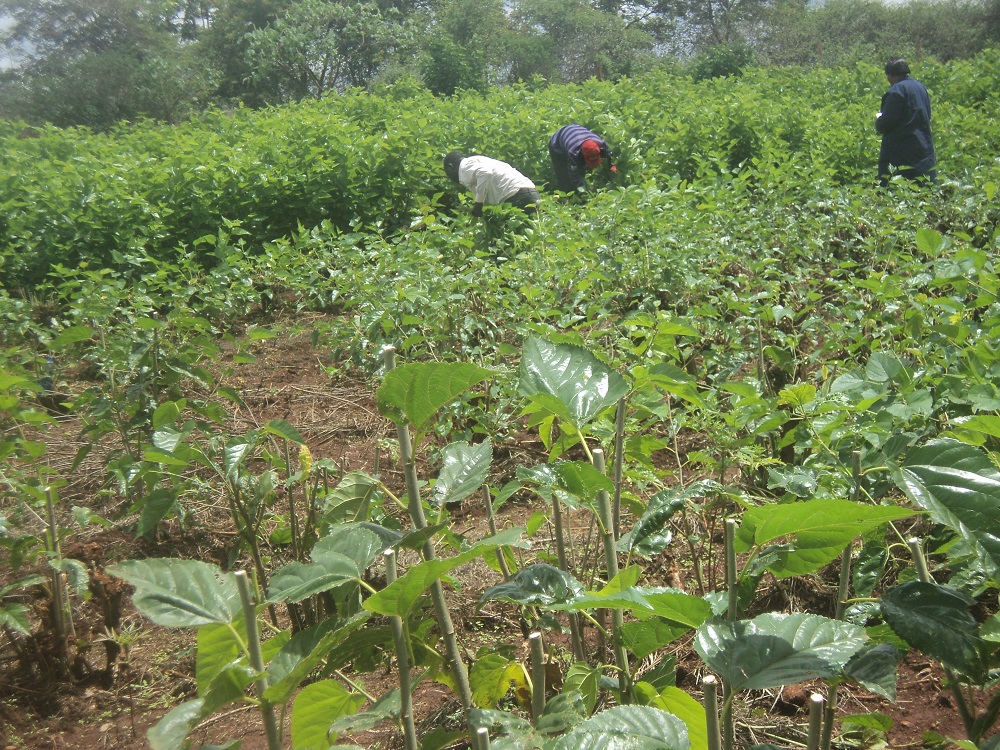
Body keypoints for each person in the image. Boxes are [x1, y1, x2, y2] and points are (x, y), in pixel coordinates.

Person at [876, 57, 936, 186]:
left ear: (890, 75)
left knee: (897, 189)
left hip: (902, 151)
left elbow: (886, 123)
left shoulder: (896, 92)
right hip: (923, 146)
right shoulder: (920, 87)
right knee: (924, 188)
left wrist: (879, 120)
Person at [443, 151, 540, 216]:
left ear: (450, 167)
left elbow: (485, 172)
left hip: (518, 195)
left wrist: (478, 204)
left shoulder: (464, 166)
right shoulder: (477, 161)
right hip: (530, 193)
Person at [548, 124, 617, 192]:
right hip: (557, 144)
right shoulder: (573, 153)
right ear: (582, 154)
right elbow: (573, 175)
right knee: (565, 179)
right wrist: (584, 189)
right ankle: (567, 197)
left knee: (582, 170)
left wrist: (612, 165)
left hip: (576, 132)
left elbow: (609, 155)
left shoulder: (601, 144)